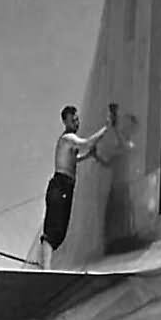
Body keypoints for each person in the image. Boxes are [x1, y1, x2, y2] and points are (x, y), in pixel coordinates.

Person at [39, 104, 114, 270]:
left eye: (77, 119)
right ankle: (45, 269)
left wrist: (88, 156)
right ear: (65, 122)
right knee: (53, 230)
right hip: (60, 185)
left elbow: (74, 159)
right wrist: (106, 128)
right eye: (73, 120)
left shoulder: (69, 143)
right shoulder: (68, 139)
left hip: (65, 187)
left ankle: (45, 266)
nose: (76, 122)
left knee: (59, 232)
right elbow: (86, 143)